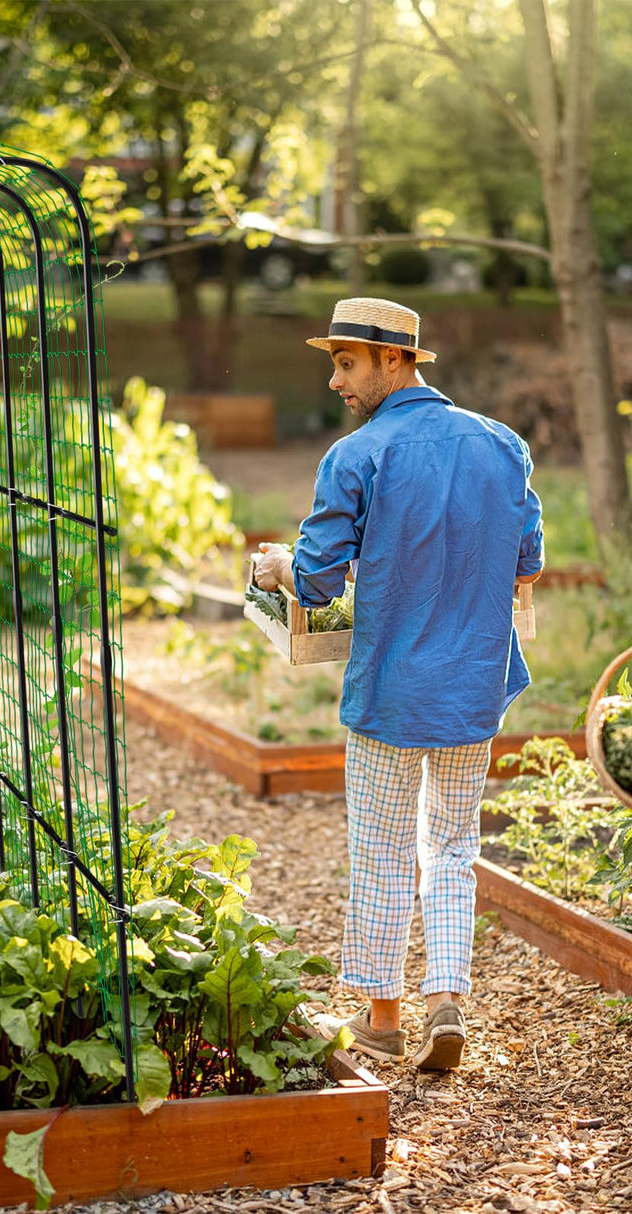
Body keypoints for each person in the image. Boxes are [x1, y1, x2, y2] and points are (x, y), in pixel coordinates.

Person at [251, 296, 543, 1071]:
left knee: (381, 849)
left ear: (394, 360)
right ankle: (447, 998)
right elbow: (528, 561)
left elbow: (314, 584)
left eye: (347, 363)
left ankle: (383, 1020)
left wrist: (282, 568)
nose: (337, 383)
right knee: (451, 847)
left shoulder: (356, 455)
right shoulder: (503, 446)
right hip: (475, 689)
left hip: (390, 691)